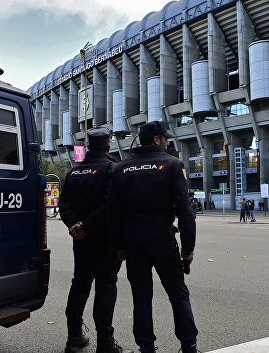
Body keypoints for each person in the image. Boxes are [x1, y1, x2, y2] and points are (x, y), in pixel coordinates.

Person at [110, 120, 198, 353]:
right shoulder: (172, 165)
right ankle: (188, 346)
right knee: (178, 293)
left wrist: (119, 245)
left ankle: (146, 347)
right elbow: (185, 211)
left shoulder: (121, 167)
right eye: (166, 138)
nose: (168, 142)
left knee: (142, 297)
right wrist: (187, 248)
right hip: (162, 238)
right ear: (157, 140)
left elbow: (115, 212)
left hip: (133, 241)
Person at [58, 127, 131, 353]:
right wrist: (87, 226)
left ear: (88, 147)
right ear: (108, 147)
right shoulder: (112, 168)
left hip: (80, 241)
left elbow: (64, 204)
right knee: (106, 288)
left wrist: (76, 227)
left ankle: (74, 338)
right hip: (105, 240)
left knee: (79, 284)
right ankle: (105, 345)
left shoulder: (74, 171)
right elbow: (111, 205)